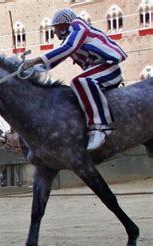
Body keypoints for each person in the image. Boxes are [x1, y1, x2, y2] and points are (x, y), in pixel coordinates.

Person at [22, 8, 127, 151]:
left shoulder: (79, 27)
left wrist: (34, 61)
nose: (54, 32)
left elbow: (68, 48)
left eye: (56, 28)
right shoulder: (71, 36)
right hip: (98, 70)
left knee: (79, 81)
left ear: (64, 24)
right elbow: (54, 61)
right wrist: (28, 68)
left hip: (108, 68)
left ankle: (100, 128)